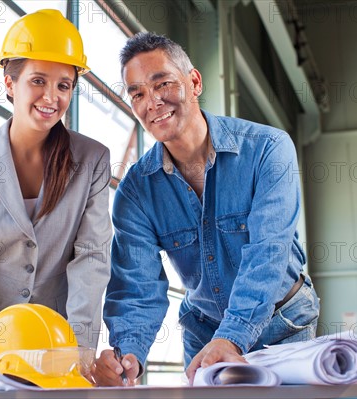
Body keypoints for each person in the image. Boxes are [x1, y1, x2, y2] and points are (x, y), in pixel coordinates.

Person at [93, 32, 320, 386]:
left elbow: (268, 253)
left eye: (162, 83)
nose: (152, 102)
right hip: (204, 329)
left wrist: (232, 336)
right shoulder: (136, 191)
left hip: (283, 325)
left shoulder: (268, 150)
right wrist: (128, 355)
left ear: (194, 81)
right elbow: (137, 285)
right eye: (137, 93)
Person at [0, 10, 111, 398]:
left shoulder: (93, 160)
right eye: (38, 81)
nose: (52, 97)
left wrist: (81, 348)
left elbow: (92, 258)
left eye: (64, 85)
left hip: (57, 349)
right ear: (9, 83)